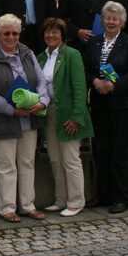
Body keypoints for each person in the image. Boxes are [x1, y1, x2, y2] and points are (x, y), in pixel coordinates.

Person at [0, 13, 49, 223]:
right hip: (3, 120)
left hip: (29, 120)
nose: (11, 37)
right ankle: (7, 208)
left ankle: (28, 206)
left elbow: (42, 82)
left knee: (27, 163)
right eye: (6, 33)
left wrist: (43, 102)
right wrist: (12, 110)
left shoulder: (28, 54)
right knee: (6, 166)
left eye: (15, 33)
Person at [83, 1, 128, 214]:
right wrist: (95, 82)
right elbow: (87, 69)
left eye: (114, 19)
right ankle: (103, 195)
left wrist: (114, 85)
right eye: (107, 18)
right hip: (100, 104)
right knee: (100, 150)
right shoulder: (95, 42)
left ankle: (122, 196)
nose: (110, 22)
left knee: (120, 152)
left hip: (123, 105)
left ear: (122, 22)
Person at [36, 17, 94, 217]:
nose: (51, 35)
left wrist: (77, 116)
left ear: (62, 35)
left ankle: (76, 201)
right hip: (49, 112)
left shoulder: (72, 54)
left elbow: (80, 87)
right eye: (48, 32)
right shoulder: (40, 58)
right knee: (54, 158)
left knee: (70, 159)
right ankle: (60, 199)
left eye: (55, 32)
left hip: (69, 112)